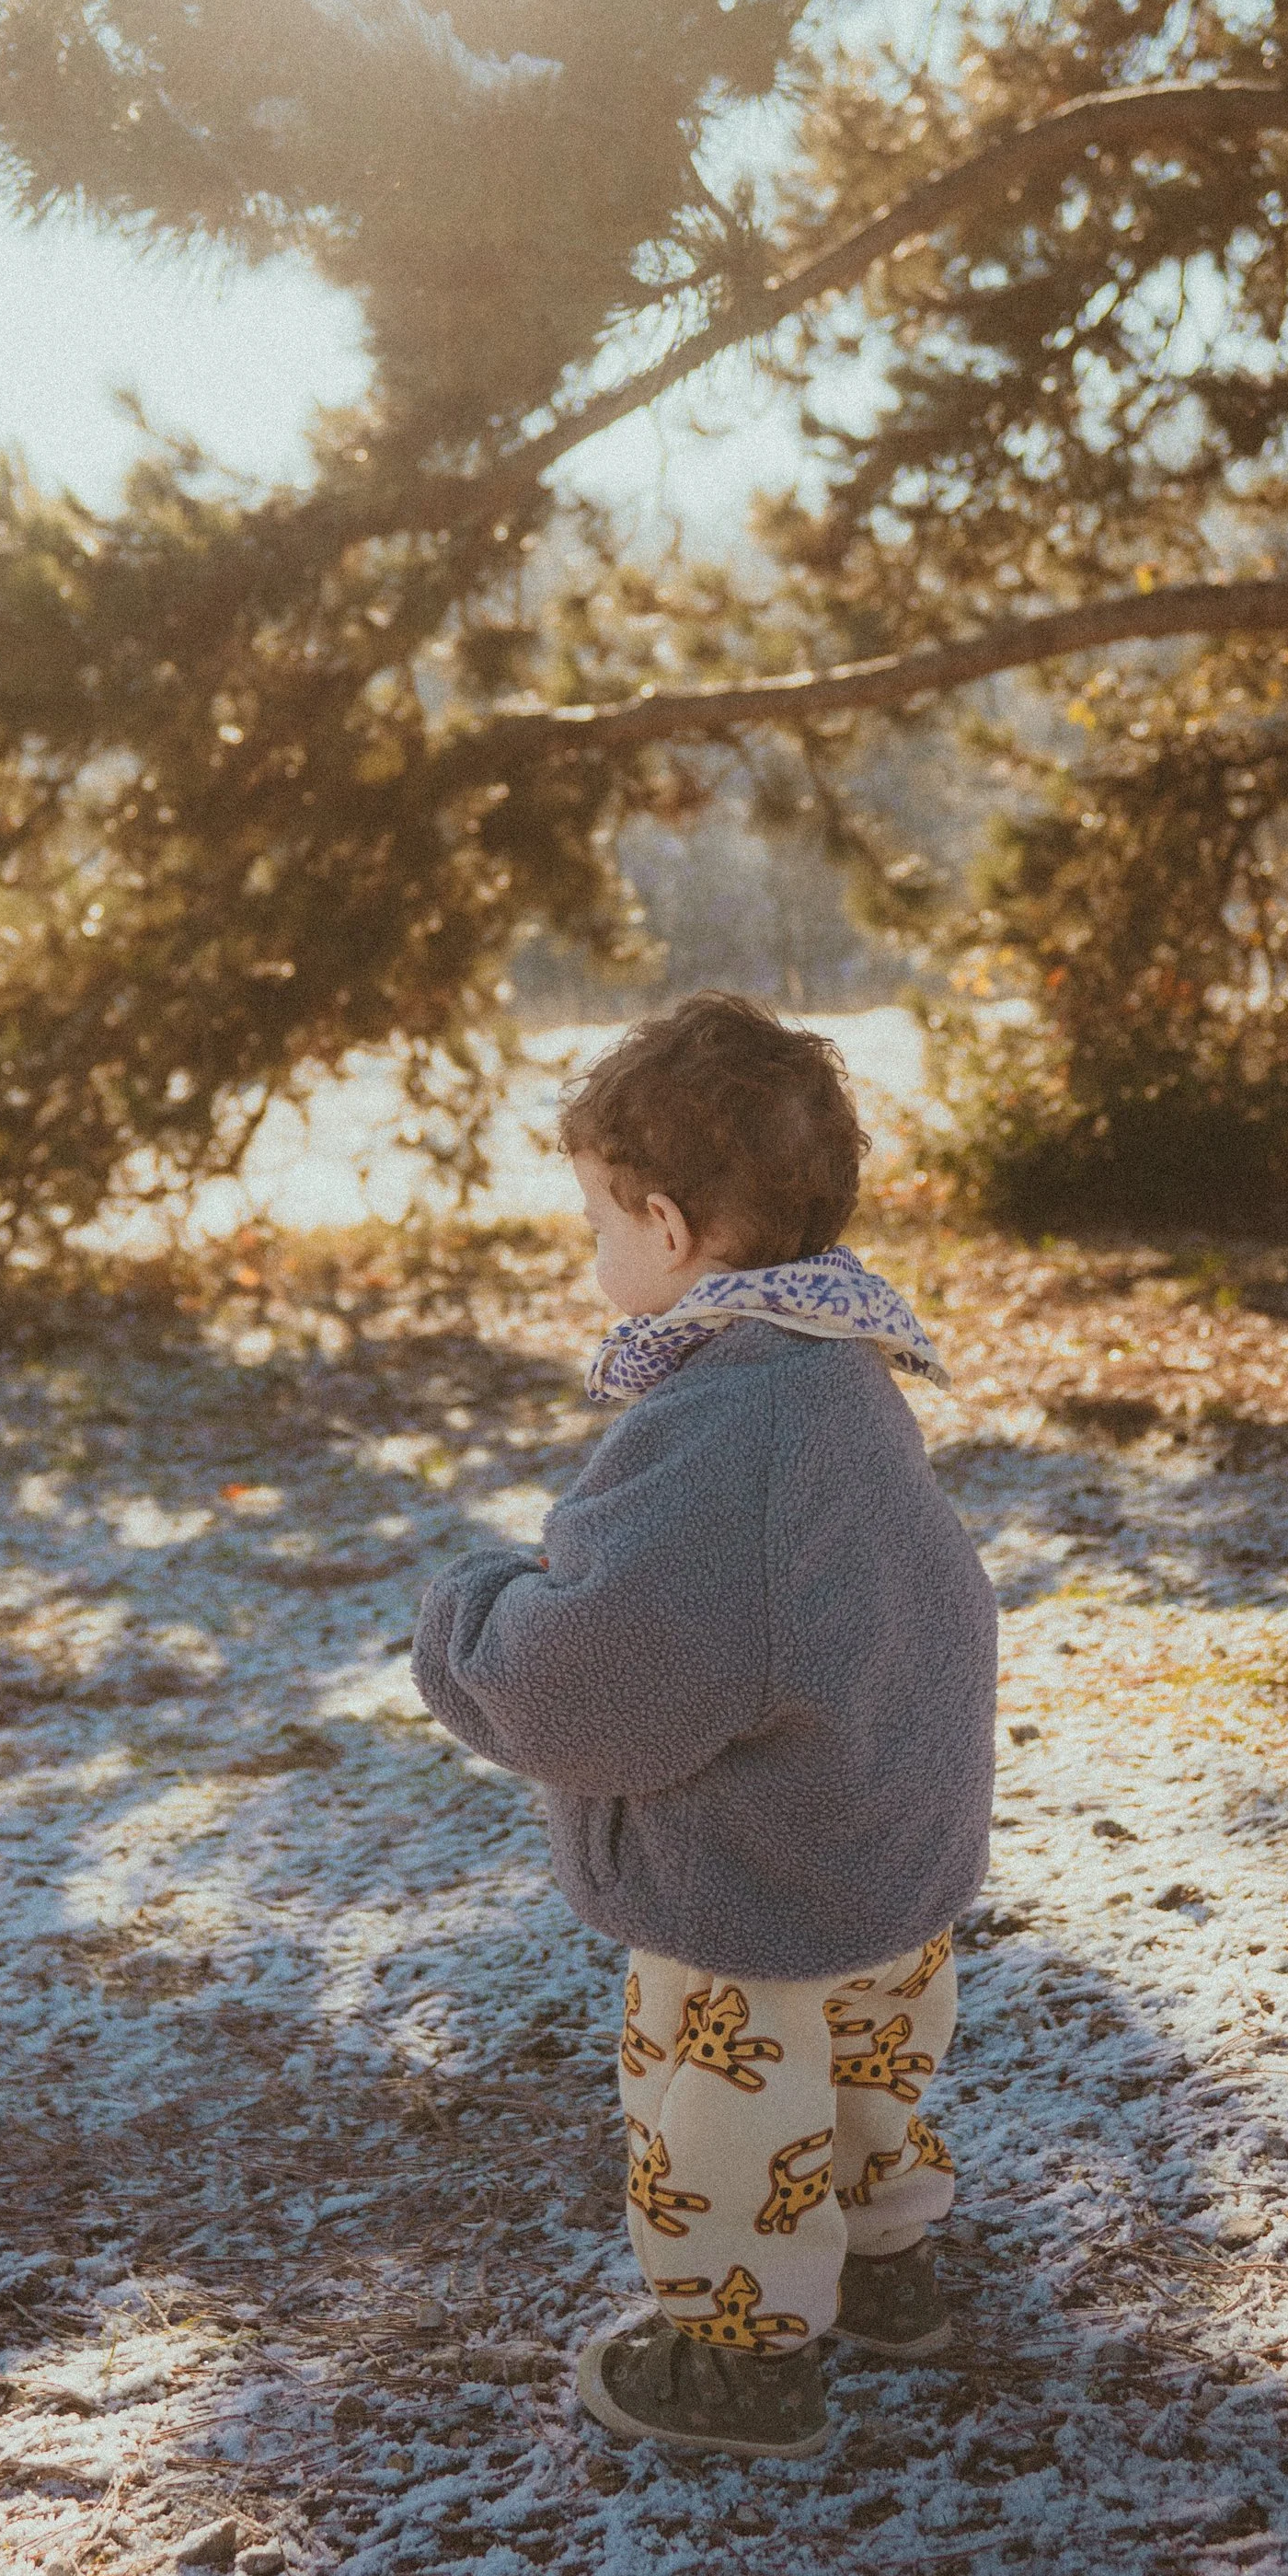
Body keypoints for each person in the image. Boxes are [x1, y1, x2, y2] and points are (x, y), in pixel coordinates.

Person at [411, 993, 998, 2461]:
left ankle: (742, 2360)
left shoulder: (724, 1430)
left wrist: (471, 1616)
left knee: (727, 2122)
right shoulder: (835, 1369)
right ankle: (887, 2271)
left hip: (755, 1879)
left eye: (597, 1219)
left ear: (666, 1226)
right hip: (881, 1834)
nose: (594, 1252)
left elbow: (593, 1686)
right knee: (869, 2080)